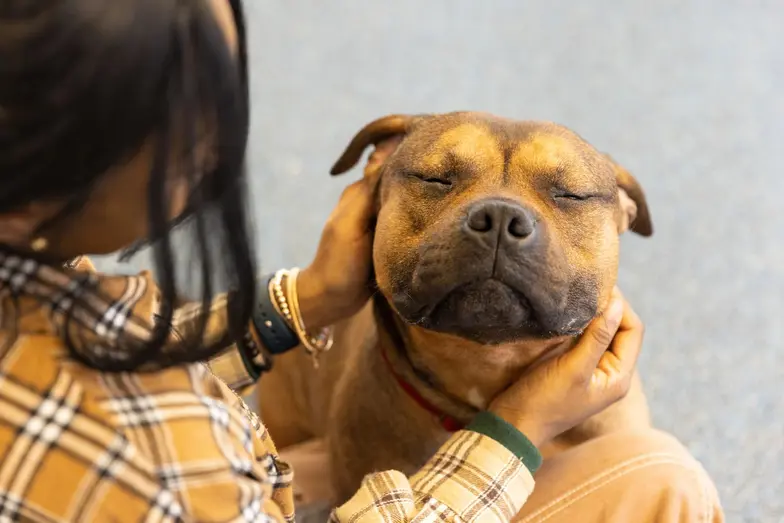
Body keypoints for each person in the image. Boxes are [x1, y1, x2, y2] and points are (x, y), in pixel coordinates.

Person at [0, 0, 723, 521]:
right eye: (200, 107)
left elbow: (113, 349)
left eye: (565, 193)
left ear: (624, 213)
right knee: (667, 479)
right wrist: (519, 425)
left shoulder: (41, 282)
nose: (223, 141)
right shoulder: (166, 457)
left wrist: (306, 299)